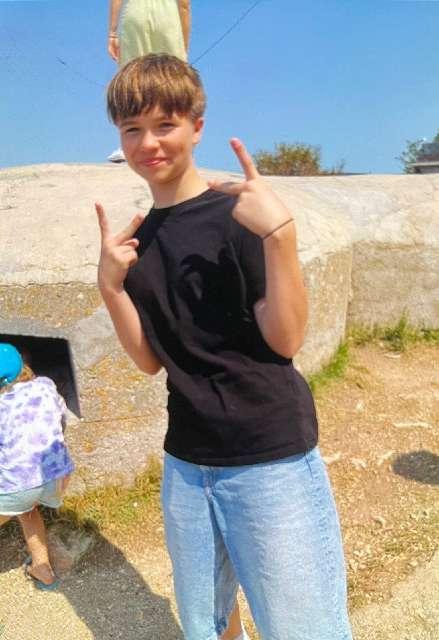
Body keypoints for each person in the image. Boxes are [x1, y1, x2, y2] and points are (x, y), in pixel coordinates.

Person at [96, 54, 353, 639]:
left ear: (197, 127)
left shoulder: (242, 215)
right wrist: (110, 287)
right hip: (186, 463)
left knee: (303, 627)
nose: (148, 143)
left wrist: (280, 237)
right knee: (206, 624)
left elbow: (285, 339)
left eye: (165, 125)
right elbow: (149, 361)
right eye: (132, 129)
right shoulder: (138, 241)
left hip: (269, 459)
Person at [0, 344, 74, 591]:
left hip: (18, 485)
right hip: (57, 477)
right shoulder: (45, 386)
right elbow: (61, 418)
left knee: (22, 501)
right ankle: (43, 570)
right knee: (28, 511)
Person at [107, 0, 190, 163]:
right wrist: (184, 46)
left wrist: (112, 33)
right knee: (172, 79)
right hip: (168, 16)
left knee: (132, 79)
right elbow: (185, 6)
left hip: (135, 12)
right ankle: (179, 143)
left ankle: (132, 143)